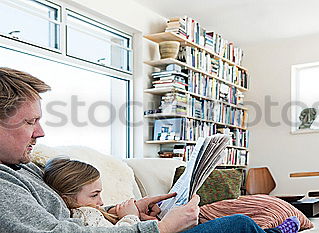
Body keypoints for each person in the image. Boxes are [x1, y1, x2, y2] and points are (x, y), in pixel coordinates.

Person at [0, 67, 300, 233]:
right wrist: (161, 229)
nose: (40, 132)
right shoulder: (4, 185)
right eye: (29, 122)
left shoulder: (24, 166)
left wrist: (121, 211)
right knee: (240, 225)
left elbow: (73, 214)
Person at [43, 157, 141, 227]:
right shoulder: (86, 213)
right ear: (67, 199)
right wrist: (131, 216)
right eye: (94, 195)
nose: (101, 202)